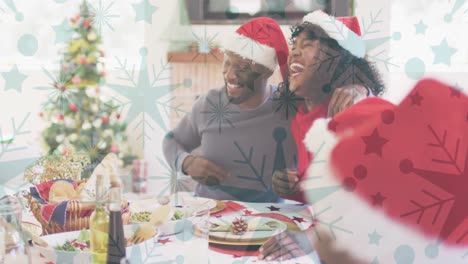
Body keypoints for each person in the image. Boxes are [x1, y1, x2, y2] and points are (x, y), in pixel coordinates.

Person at [162, 17, 368, 202]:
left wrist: (360, 88)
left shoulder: (290, 104)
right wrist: (186, 162)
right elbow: (172, 140)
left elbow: (328, 92)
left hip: (268, 221)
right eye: (227, 63)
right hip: (209, 214)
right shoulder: (209, 104)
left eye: (242, 68)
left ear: (267, 70)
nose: (230, 75)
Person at [271, 10, 384, 203]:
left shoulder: (352, 105)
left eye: (306, 45)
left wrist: (365, 92)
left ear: (338, 61)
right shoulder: (298, 114)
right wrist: (291, 188)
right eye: (294, 46)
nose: (295, 52)